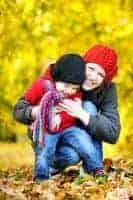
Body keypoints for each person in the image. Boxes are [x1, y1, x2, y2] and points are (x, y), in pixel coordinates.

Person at [13, 44, 120, 177]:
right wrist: (38, 111)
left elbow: (113, 132)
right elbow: (19, 109)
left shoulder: (108, 90)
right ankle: (49, 165)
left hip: (72, 132)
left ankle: (95, 169)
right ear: (82, 65)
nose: (93, 77)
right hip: (49, 132)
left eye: (100, 74)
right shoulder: (62, 72)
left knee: (88, 107)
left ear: (106, 79)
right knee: (67, 154)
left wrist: (81, 114)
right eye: (91, 68)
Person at [21, 54, 103, 181]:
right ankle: (41, 177)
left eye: (74, 88)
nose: (69, 91)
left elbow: (74, 107)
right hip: (48, 129)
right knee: (45, 151)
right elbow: (24, 104)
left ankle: (96, 168)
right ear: (56, 78)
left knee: (85, 141)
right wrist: (38, 112)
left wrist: (74, 111)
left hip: (68, 128)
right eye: (66, 86)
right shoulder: (42, 86)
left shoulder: (76, 90)